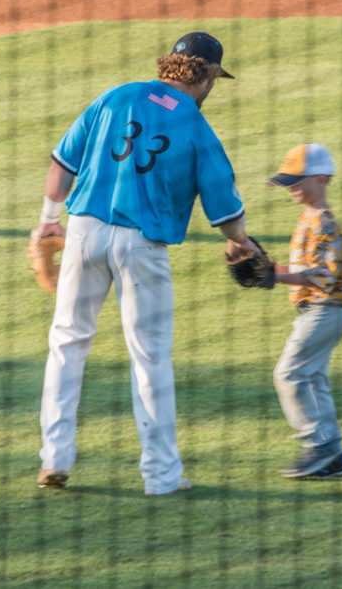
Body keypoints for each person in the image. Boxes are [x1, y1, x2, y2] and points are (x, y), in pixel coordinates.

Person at [34, 32, 258, 495]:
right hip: (141, 248)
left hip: (83, 233)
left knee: (67, 344)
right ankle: (161, 476)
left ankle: (54, 459)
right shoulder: (196, 127)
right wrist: (242, 244)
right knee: (150, 357)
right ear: (210, 75)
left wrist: (47, 223)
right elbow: (225, 210)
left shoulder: (117, 97)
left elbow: (61, 165)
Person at [265, 143, 342, 478]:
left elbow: (324, 276)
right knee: (313, 378)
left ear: (321, 179)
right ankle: (335, 456)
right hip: (319, 310)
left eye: (297, 180)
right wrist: (272, 267)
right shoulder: (309, 218)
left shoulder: (325, 223)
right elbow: (307, 266)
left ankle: (319, 445)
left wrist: (273, 276)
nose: (291, 187)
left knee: (289, 374)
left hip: (325, 310)